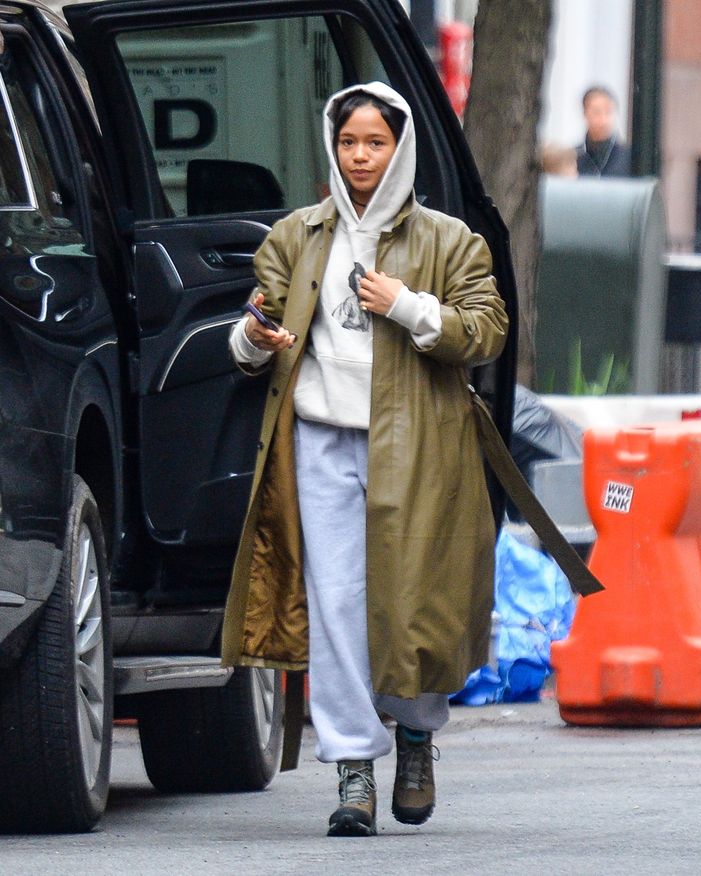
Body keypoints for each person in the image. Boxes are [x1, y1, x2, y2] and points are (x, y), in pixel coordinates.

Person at [222, 81, 508, 837]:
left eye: (375, 142)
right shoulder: (297, 235)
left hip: (418, 445)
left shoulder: (450, 240)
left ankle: (415, 734)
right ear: (332, 145)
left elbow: (487, 330)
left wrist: (410, 305)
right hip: (320, 439)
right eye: (349, 142)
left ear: (400, 147)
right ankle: (353, 771)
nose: (360, 156)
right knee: (338, 604)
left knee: (414, 600)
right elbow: (253, 324)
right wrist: (254, 340)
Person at [576, 86, 631, 177]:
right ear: (585, 113)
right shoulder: (574, 157)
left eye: (608, 112)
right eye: (596, 112)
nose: (603, 119)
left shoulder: (630, 158)